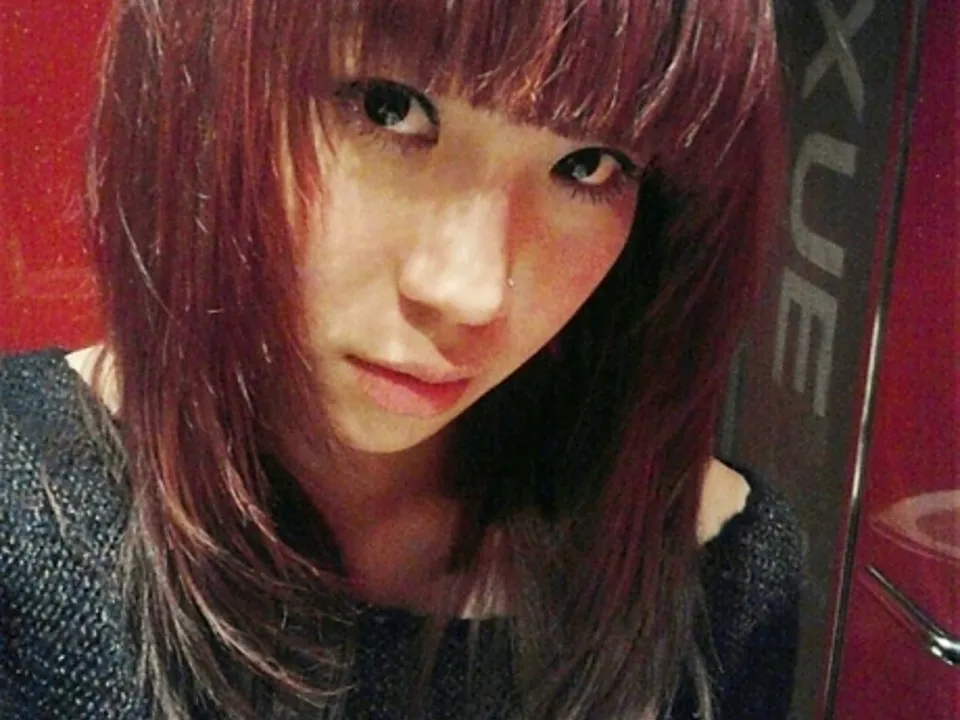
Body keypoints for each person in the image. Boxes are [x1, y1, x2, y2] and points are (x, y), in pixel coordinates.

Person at [0, 0, 803, 718]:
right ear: (201, 76)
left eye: (586, 165)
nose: (469, 292)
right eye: (390, 107)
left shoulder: (721, 577)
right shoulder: (25, 511)